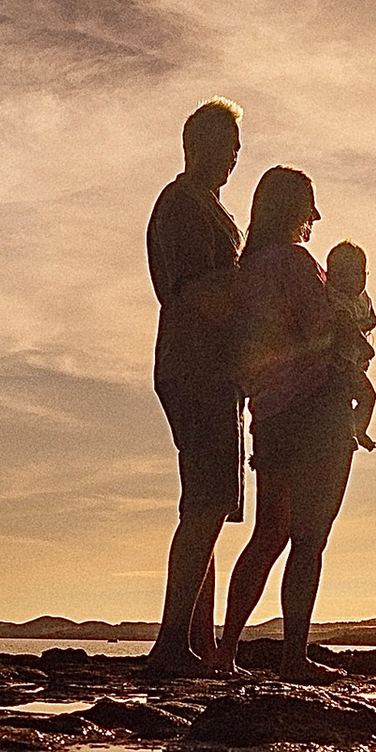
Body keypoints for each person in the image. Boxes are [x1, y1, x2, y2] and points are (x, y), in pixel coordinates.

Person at [216, 165, 357, 682]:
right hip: (316, 411)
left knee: (268, 533)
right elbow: (324, 328)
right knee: (309, 537)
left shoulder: (245, 269)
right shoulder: (297, 262)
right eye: (309, 205)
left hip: (269, 416)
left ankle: (225, 648)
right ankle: (293, 658)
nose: (316, 217)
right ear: (291, 209)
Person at [143, 101, 245, 676]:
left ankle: (197, 648)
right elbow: (196, 292)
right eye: (229, 144)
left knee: (205, 507)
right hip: (195, 367)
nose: (235, 156)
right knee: (205, 505)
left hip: (208, 371)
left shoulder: (204, 206)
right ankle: (171, 644)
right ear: (200, 143)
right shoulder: (182, 204)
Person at [323, 237, 376, 450]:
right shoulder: (337, 298)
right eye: (342, 275)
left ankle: (357, 428)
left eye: (358, 274)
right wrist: (366, 348)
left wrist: (365, 324)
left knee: (366, 397)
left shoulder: (363, 298)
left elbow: (373, 319)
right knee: (365, 395)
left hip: (354, 361)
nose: (351, 281)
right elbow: (346, 327)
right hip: (342, 363)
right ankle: (355, 431)